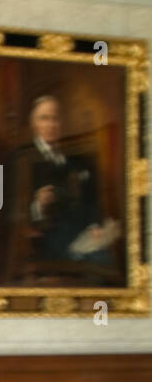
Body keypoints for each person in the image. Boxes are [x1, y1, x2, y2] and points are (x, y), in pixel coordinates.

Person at [17, 95, 119, 270]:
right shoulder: (22, 158)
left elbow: (90, 199)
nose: (50, 125)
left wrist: (95, 224)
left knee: (107, 260)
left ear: (61, 124)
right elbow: (11, 211)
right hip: (50, 239)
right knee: (100, 263)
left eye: (55, 118)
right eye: (44, 118)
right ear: (33, 123)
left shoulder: (74, 159)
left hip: (84, 233)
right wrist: (37, 206)